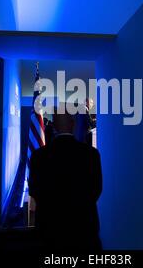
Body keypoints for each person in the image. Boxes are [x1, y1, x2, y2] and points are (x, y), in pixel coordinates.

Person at [28, 107, 102, 251]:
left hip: (49, 232)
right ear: (73, 123)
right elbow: (96, 190)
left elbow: (34, 190)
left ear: (53, 127)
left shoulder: (39, 156)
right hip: (84, 230)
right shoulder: (91, 154)